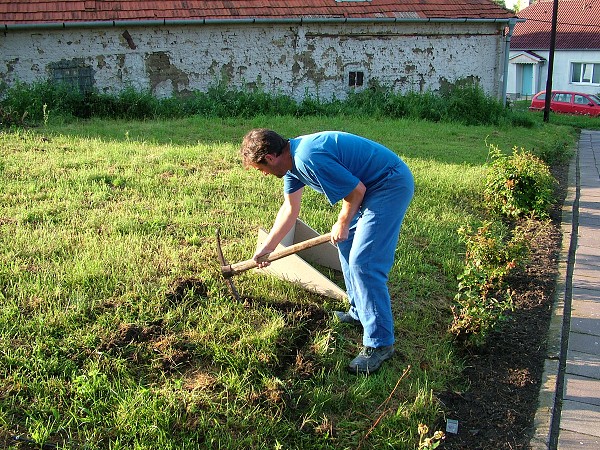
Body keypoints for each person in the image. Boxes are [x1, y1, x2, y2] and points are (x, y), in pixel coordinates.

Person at [239, 129, 414, 374]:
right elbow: (290, 209)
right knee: (346, 243)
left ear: (269, 158)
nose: (264, 174)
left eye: (261, 169)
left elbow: (356, 191)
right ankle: (358, 311)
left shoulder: (308, 157)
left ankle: (380, 343)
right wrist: (268, 248)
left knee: (364, 262)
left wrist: (342, 222)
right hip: (371, 187)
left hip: (389, 183)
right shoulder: (291, 165)